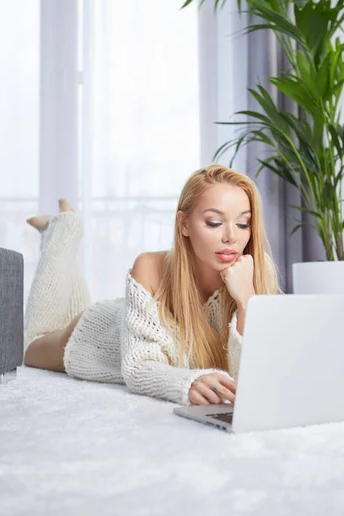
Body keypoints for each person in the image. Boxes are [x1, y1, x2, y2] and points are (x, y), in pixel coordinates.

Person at [24, 164, 278, 406]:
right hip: (102, 334)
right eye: (214, 222)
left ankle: (65, 222)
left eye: (243, 223)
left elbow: (253, 373)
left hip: (127, 317)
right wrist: (188, 382)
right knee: (31, 347)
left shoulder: (256, 269)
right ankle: (64, 227)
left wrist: (247, 301)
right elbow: (139, 367)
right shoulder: (149, 266)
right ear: (184, 224)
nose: (232, 237)